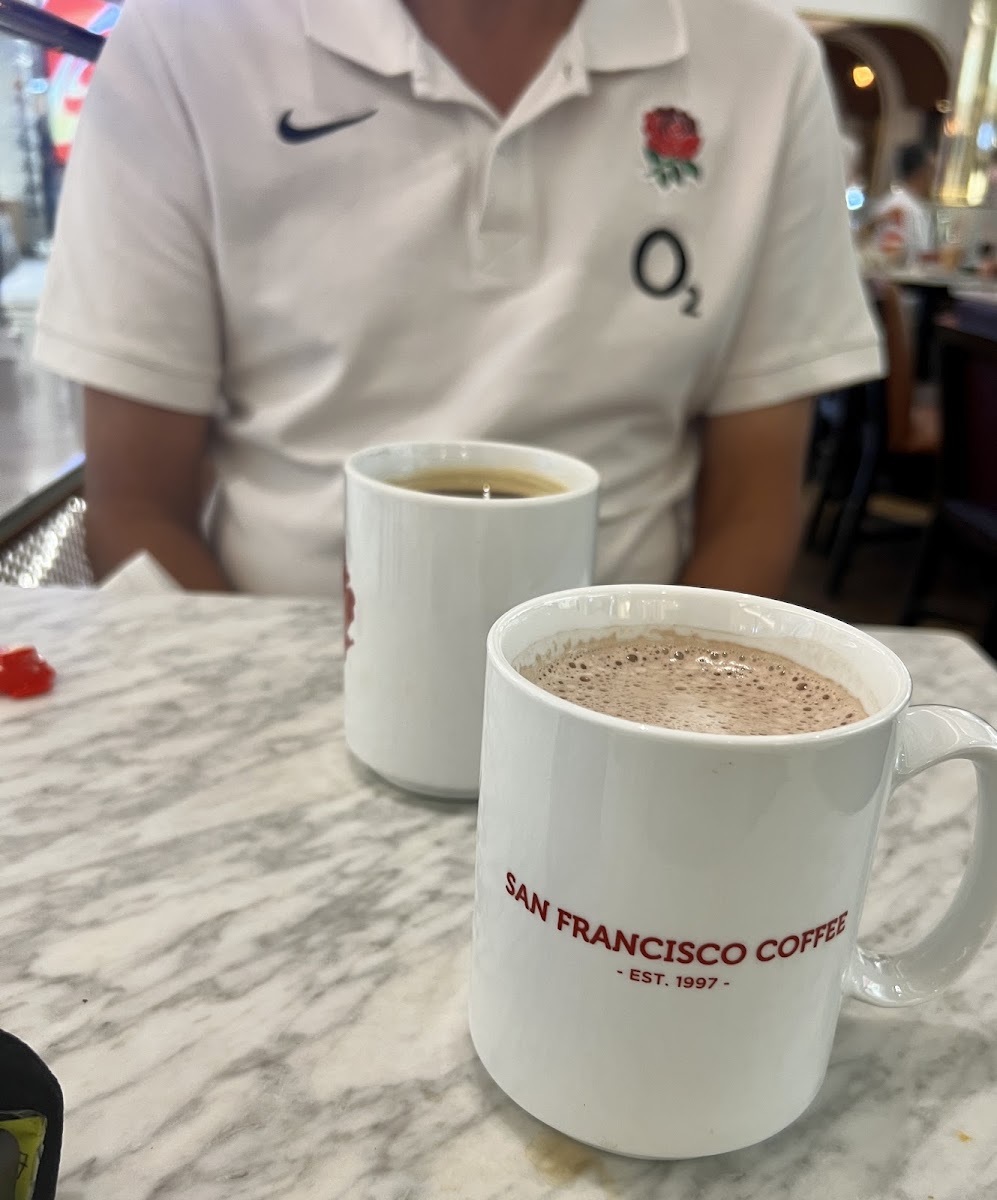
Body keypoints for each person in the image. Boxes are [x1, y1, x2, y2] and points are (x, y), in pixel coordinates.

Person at [35, 0, 883, 597]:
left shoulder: (764, 64)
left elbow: (753, 502)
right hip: (268, 660)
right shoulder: (180, 40)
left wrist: (652, 728)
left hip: (627, 681)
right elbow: (136, 505)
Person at [868, 143, 937, 264]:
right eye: (932, 170)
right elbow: (889, 256)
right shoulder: (898, 206)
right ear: (922, 172)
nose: (934, 177)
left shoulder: (914, 204)